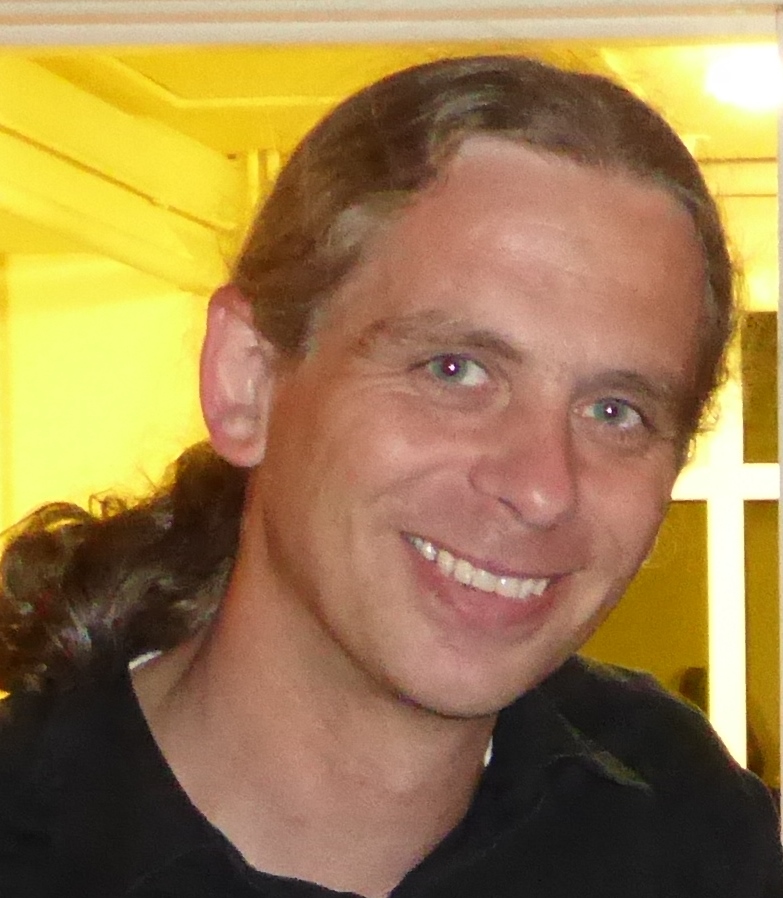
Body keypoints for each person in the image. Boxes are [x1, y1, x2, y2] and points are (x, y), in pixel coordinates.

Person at [0, 54, 780, 897]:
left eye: (614, 411)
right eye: (454, 370)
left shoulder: (685, 834)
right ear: (247, 380)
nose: (542, 488)